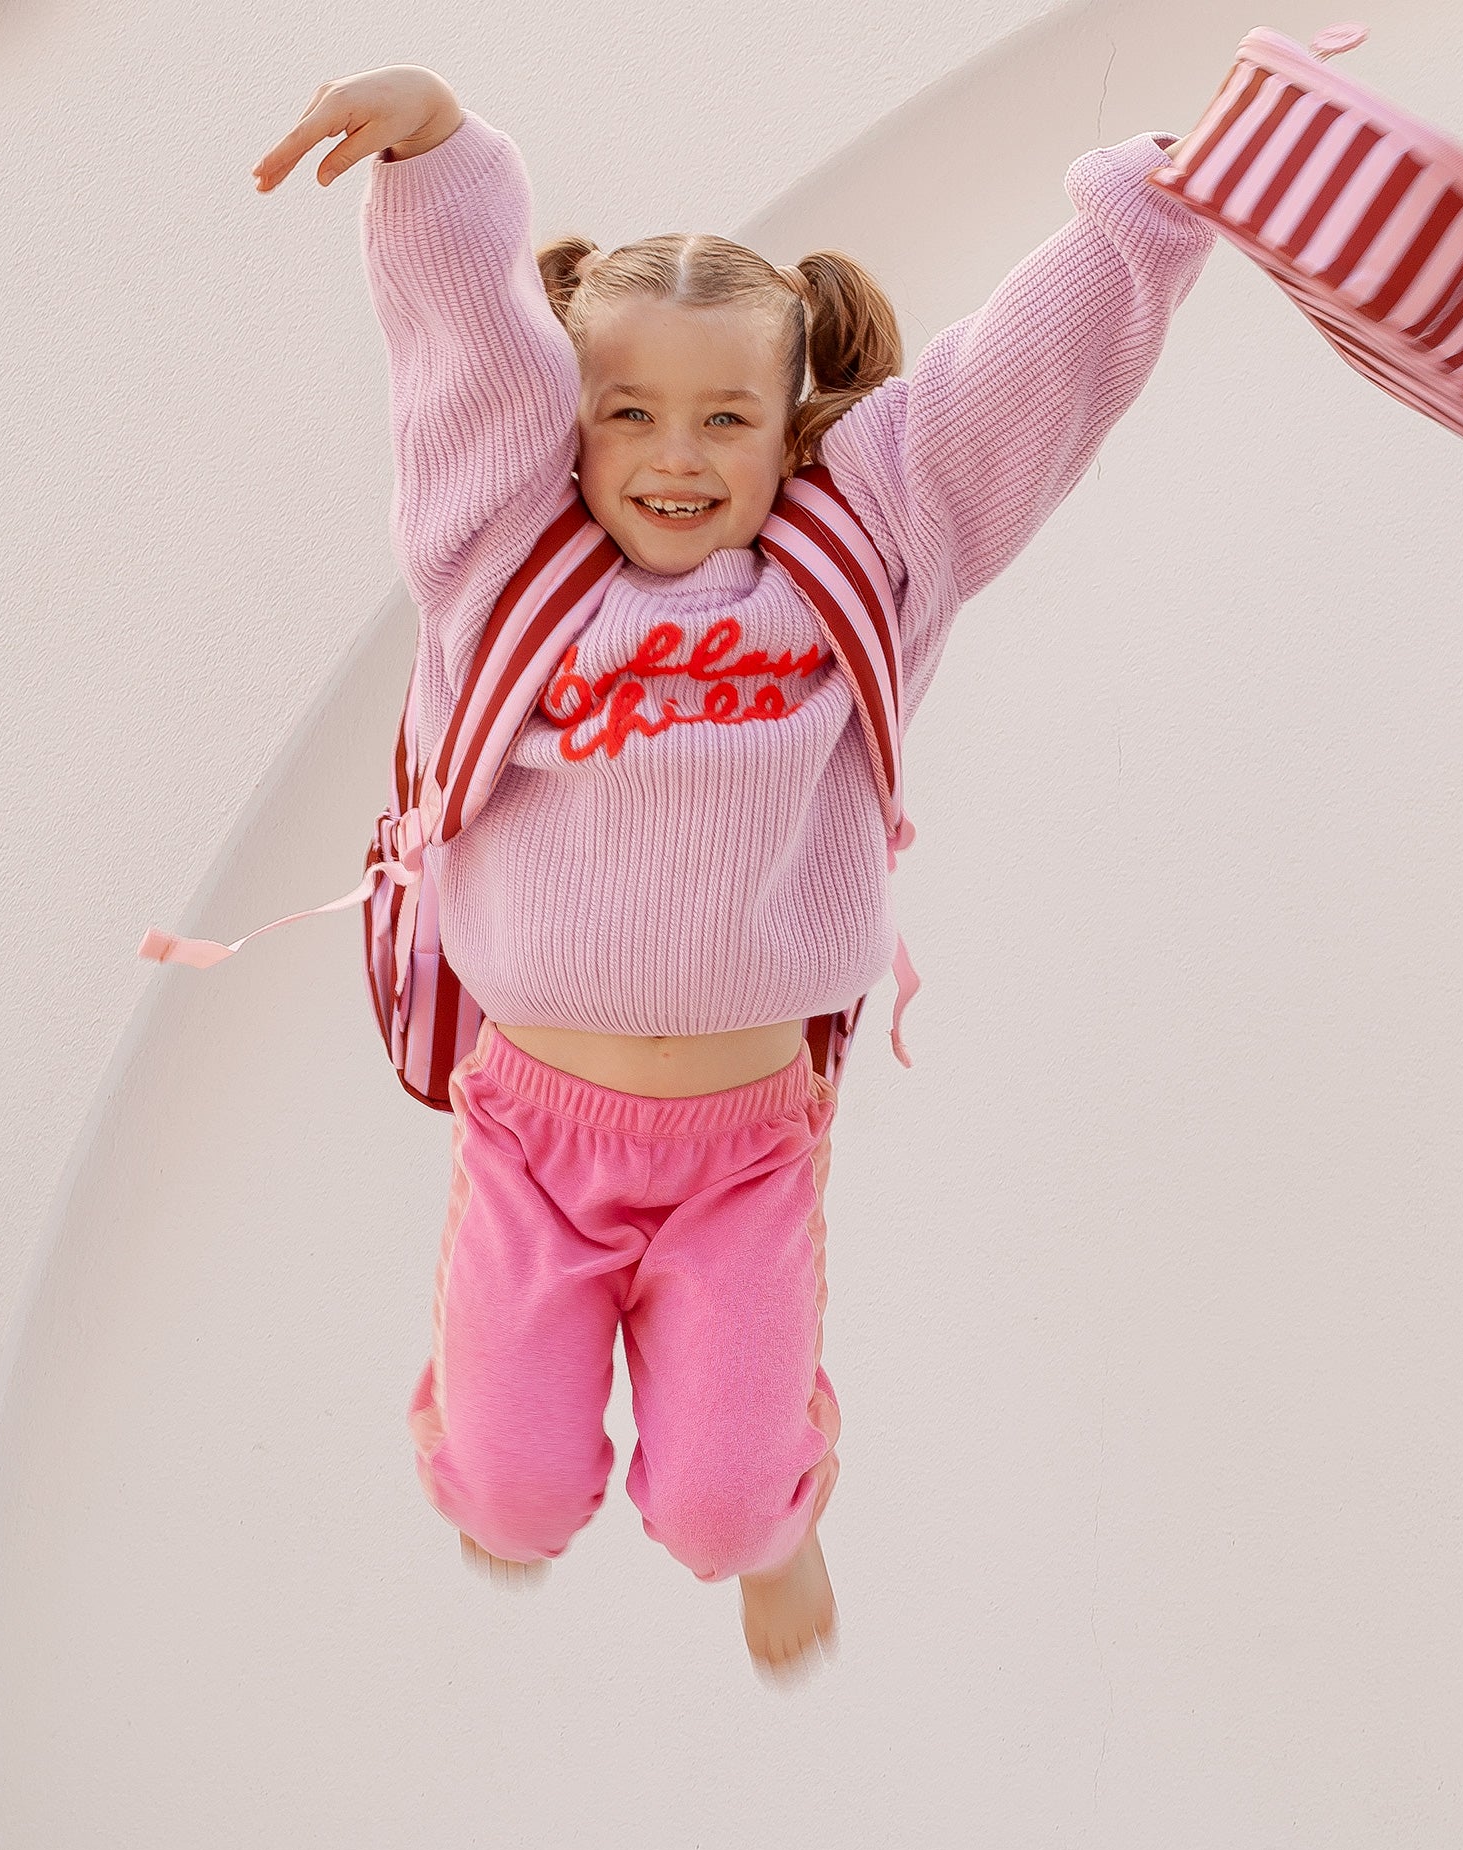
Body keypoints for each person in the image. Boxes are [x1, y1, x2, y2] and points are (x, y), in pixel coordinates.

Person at [254, 65, 1210, 1676]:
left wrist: (1158, 198)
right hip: (533, 1138)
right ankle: (507, 1451)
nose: (673, 455)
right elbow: (462, 356)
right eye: (625, 412)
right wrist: (436, 158)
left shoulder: (867, 556)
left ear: (794, 431)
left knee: (718, 1512)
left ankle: (781, 1517)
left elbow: (1017, 382)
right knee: (508, 1497)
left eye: (725, 418)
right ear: (568, 426)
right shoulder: (505, 567)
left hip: (746, 1152)